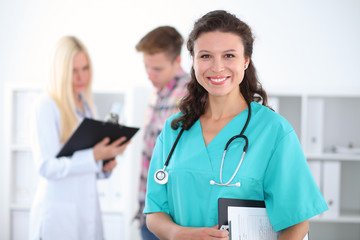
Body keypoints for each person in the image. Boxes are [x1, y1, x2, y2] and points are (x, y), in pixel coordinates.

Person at [144, 10, 329, 240]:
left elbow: (297, 223)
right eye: (205, 56)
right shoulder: (175, 130)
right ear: (193, 62)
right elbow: (155, 212)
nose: (217, 67)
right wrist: (182, 234)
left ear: (246, 61)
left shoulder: (273, 131)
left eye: (229, 55)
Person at [29, 36, 130, 240]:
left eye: (85, 69)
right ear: (60, 73)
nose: (81, 77)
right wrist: (93, 156)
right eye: (73, 71)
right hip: (59, 218)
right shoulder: (46, 105)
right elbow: (46, 166)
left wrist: (103, 165)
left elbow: (83, 164)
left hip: (86, 212)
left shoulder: (84, 105)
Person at [134, 26, 191, 240]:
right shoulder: (157, 93)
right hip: (149, 211)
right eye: (146, 67)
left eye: (156, 69)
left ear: (177, 61)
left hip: (170, 217)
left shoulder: (188, 97)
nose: (150, 75)